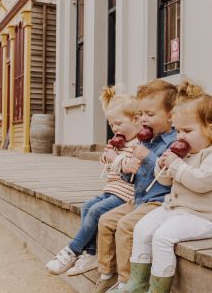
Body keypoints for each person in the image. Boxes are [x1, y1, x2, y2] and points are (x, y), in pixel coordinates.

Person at [119, 80, 212, 293]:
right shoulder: (185, 154)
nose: (180, 136)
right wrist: (161, 167)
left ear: (210, 129)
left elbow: (201, 182)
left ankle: (158, 288)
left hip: (202, 218)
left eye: (187, 130)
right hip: (174, 210)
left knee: (162, 237)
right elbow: (164, 181)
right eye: (178, 131)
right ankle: (137, 283)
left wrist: (177, 166)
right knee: (142, 228)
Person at [46, 83, 142, 277]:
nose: (114, 129)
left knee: (97, 211)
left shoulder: (140, 144)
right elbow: (105, 163)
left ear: (136, 120)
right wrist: (107, 155)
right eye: (111, 125)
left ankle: (73, 250)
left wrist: (117, 159)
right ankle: (91, 253)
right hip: (111, 189)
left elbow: (133, 170)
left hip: (126, 195)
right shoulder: (121, 143)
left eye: (118, 124)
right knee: (88, 206)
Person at [93, 79, 177, 293]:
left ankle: (127, 281)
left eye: (150, 115)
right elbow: (133, 178)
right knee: (105, 220)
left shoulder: (173, 141)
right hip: (138, 198)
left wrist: (148, 157)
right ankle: (106, 272)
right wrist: (126, 169)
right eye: (141, 114)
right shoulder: (144, 140)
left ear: (170, 115)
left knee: (125, 226)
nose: (143, 120)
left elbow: (166, 175)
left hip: (158, 201)